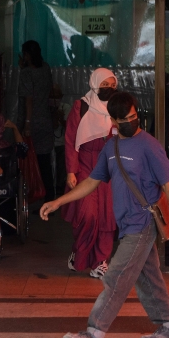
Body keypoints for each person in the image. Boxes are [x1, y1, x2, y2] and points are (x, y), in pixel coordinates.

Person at [40, 92, 169, 338]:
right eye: (125, 119)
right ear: (112, 120)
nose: (131, 122)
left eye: (134, 117)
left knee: (116, 277)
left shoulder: (148, 145)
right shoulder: (110, 148)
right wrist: (58, 202)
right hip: (127, 225)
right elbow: (91, 181)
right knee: (148, 276)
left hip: (142, 223)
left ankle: (93, 335)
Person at [62, 68, 119, 278]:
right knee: (87, 214)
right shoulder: (81, 106)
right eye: (105, 85)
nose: (109, 89)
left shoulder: (116, 107)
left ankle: (100, 261)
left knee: (108, 216)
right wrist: (71, 171)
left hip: (110, 166)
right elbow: (70, 141)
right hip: (85, 165)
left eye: (113, 85)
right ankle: (80, 252)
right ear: (95, 83)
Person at [18, 40, 56, 201]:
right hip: (46, 119)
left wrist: (27, 123)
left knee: (28, 160)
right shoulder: (45, 68)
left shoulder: (27, 73)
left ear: (27, 55)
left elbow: (29, 100)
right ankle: (49, 197)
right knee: (44, 161)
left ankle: (33, 195)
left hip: (32, 121)